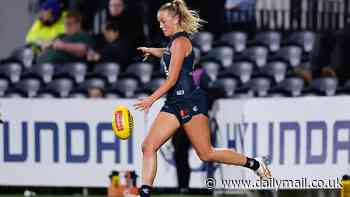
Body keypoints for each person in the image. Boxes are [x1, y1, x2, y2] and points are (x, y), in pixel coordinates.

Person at [134, 1, 272, 196]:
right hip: (174, 102)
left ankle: (255, 163)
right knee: (148, 146)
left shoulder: (181, 42)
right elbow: (167, 54)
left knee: (206, 153)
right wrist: (152, 50)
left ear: (176, 19)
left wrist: (151, 99)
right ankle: (144, 193)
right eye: (158, 22)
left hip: (190, 101)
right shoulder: (173, 43)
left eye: (163, 21)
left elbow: (172, 79)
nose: (160, 25)